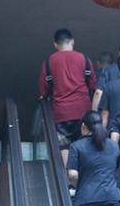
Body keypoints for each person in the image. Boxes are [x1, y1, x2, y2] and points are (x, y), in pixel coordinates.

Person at [39, 28, 96, 164]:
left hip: (61, 113)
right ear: (72, 41)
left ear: (55, 44)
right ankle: (81, 173)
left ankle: (67, 175)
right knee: (85, 143)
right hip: (83, 111)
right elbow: (93, 84)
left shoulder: (48, 62)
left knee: (64, 146)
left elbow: (44, 90)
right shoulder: (84, 59)